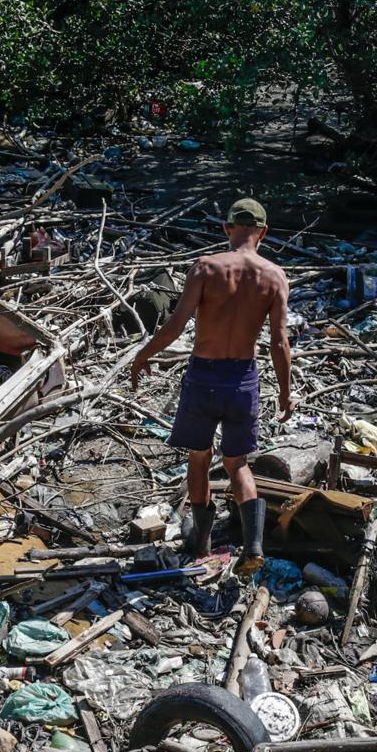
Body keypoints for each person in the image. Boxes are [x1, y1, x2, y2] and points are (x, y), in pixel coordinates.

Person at [130, 197, 293, 564]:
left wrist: (143, 356)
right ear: (263, 232)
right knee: (238, 463)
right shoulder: (275, 276)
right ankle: (253, 547)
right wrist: (286, 392)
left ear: (227, 228)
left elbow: (174, 326)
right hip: (243, 379)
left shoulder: (205, 268)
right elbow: (279, 342)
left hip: (204, 375)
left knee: (199, 459)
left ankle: (200, 544)